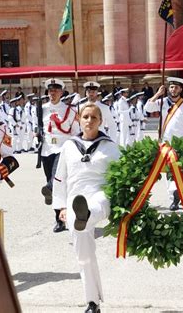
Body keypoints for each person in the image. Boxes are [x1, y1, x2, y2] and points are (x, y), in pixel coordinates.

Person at [53, 102, 120, 312]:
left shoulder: (110, 146)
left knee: (97, 205)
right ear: (79, 120)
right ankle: (93, 302)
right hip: (75, 200)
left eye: (94, 117)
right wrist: (61, 207)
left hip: (101, 195)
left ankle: (88, 214)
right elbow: (60, 178)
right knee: (83, 253)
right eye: (86, 117)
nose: (89, 121)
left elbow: (122, 178)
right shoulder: (68, 146)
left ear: (100, 121)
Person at [37, 78, 80, 233]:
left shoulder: (70, 110)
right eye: (50, 90)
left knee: (56, 182)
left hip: (62, 149)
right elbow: (39, 126)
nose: (52, 93)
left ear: (62, 92)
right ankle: (59, 220)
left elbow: (76, 132)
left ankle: (49, 188)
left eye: (55, 90)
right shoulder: (41, 108)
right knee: (55, 185)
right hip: (47, 149)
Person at [145, 77, 183, 210]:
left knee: (179, 171)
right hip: (165, 144)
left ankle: (180, 195)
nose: (174, 89)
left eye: (176, 87)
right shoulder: (162, 102)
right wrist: (157, 94)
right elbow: (148, 108)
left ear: (181, 89)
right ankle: (173, 198)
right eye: (171, 87)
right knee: (167, 172)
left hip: (180, 143)